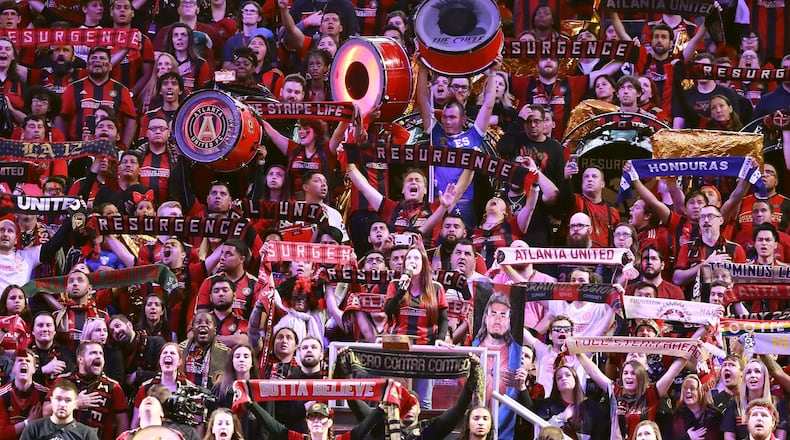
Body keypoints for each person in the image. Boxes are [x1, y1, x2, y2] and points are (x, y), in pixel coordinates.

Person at [384, 246, 448, 408]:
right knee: (396, 399)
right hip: (399, 350)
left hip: (426, 350)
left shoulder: (436, 288)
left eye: (416, 258)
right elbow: (388, 311)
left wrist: (440, 339)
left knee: (423, 402)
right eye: (409, 259)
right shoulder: (395, 284)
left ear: (424, 263)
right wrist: (401, 290)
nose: (412, 262)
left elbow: (443, 319)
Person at [20, 380, 98, 440]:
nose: (62, 404)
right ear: (51, 400)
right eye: (58, 399)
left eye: (68, 400)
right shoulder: (34, 429)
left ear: (75, 403)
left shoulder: (87, 435)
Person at [0, 350, 48, 440]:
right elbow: (1, 433)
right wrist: (28, 422)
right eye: (20, 360)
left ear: (34, 369)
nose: (23, 363)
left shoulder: (45, 394)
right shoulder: (2, 395)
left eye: (28, 361)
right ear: (13, 368)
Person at [672, 373, 722, 440]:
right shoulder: (677, 415)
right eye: (685, 388)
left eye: (692, 388)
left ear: (701, 391)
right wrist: (687, 437)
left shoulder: (715, 415)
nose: (688, 391)